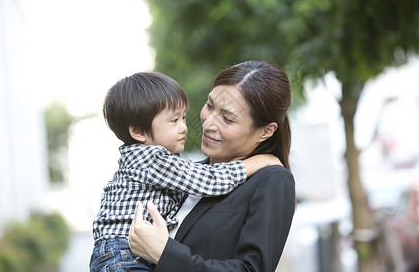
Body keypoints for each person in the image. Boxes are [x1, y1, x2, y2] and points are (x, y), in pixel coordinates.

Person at [89, 72, 282, 272]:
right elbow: (210, 180)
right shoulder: (154, 158)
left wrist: (163, 252)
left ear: (266, 131)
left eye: (227, 118)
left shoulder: (273, 179)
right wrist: (258, 162)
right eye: (174, 121)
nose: (188, 127)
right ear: (137, 131)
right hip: (123, 253)